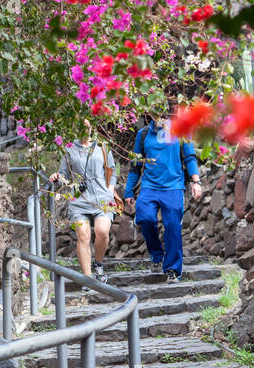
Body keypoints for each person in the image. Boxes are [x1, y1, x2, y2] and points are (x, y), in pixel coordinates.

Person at [123, 98, 202, 281]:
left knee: (173, 226)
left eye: (161, 112)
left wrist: (196, 182)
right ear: (148, 114)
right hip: (149, 187)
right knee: (145, 218)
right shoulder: (143, 134)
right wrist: (128, 191)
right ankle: (157, 255)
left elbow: (190, 158)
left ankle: (173, 269)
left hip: (173, 187)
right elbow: (135, 165)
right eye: (154, 112)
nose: (158, 116)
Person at [50, 120, 120, 284]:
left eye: (87, 127)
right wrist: (56, 178)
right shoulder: (69, 149)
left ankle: (98, 263)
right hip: (79, 199)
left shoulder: (102, 146)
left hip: (102, 198)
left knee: (102, 232)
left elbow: (112, 170)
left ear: (92, 128)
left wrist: (110, 190)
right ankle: (88, 279)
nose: (84, 130)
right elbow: (63, 176)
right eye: (81, 126)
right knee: (83, 236)